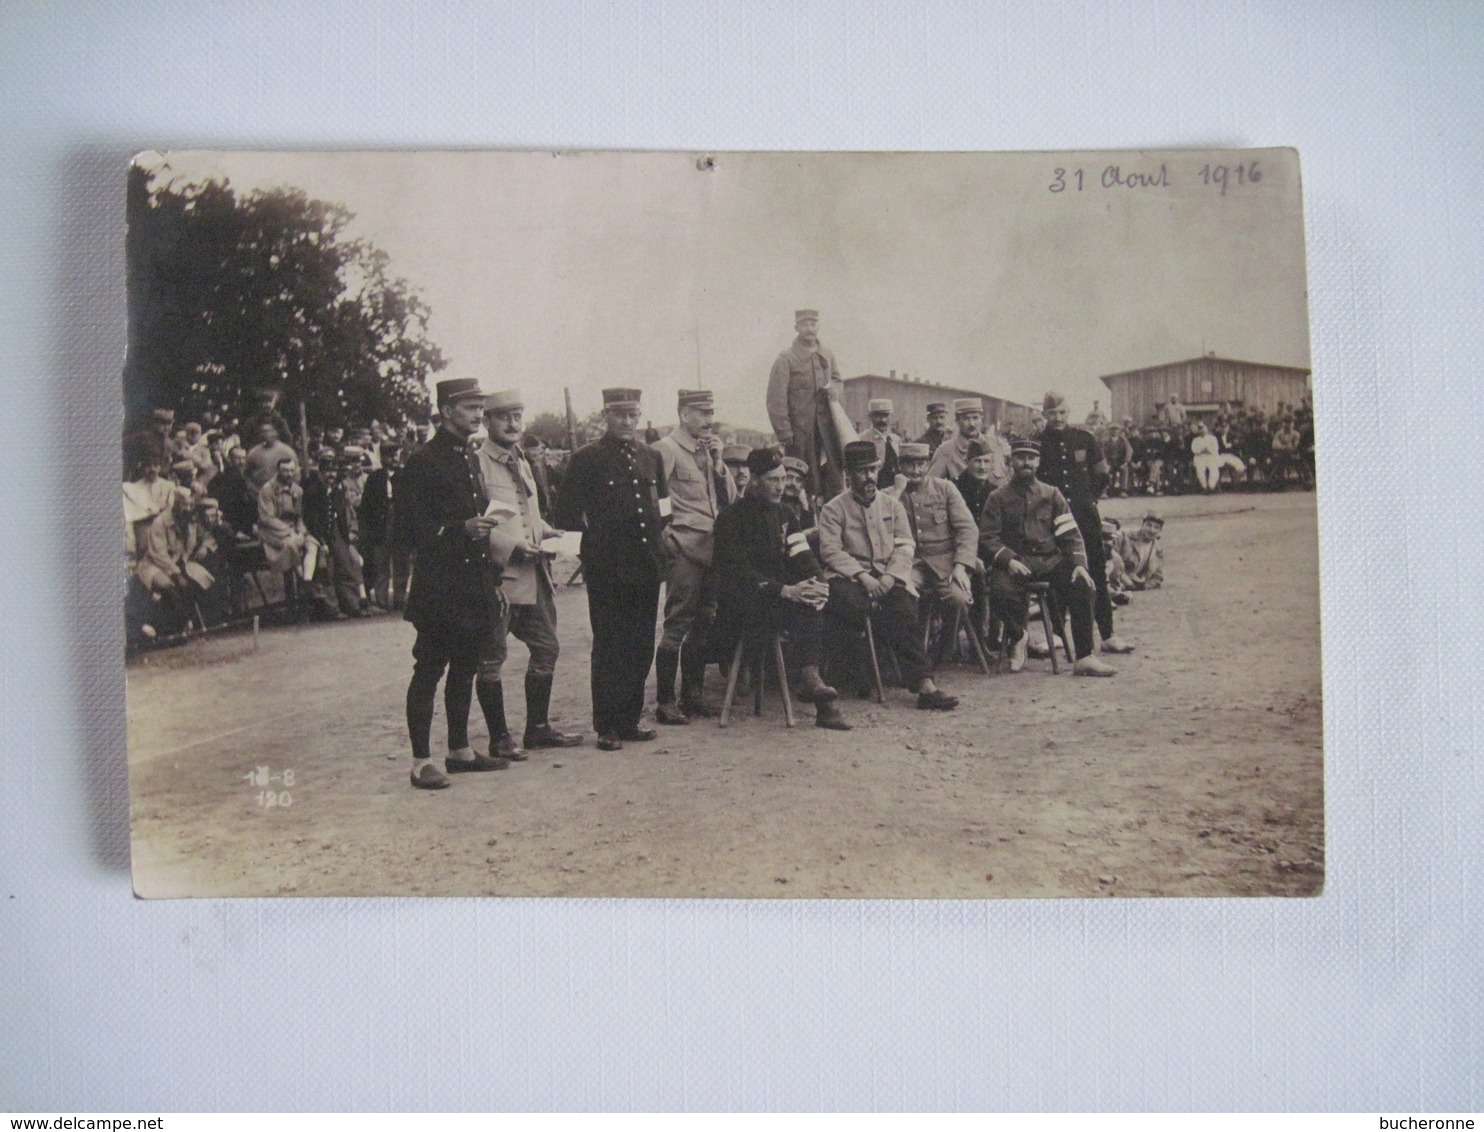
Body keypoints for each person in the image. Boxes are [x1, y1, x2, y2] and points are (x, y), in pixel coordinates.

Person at [394, 378, 513, 789]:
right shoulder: (423, 461)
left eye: (480, 406)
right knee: (428, 669)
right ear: (446, 411)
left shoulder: (469, 458)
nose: (478, 414)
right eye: (469, 407)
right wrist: (460, 529)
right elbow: (408, 530)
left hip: (472, 583)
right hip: (439, 587)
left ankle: (459, 749)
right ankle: (420, 761)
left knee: (464, 667)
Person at [554, 387, 668, 751]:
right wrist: (592, 546)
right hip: (608, 567)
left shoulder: (652, 457)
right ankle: (607, 725)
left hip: (646, 564)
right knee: (609, 645)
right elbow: (566, 514)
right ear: (606, 415)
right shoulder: (586, 459)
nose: (627, 421)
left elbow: (664, 510)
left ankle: (630, 719)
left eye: (633, 414)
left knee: (641, 643)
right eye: (620, 414)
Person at [474, 389, 585, 753]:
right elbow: (477, 524)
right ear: (488, 421)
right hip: (497, 580)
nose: (512, 424)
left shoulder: (522, 462)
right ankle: (499, 737)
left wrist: (544, 532)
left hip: (533, 577)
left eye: (517, 416)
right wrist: (511, 547)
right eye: (503, 417)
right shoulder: (477, 464)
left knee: (547, 647)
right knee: (491, 658)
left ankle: (537, 728)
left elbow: (524, 514)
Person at [712, 448, 849, 730]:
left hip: (779, 598)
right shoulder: (731, 519)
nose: (781, 486)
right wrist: (785, 590)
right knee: (800, 605)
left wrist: (817, 583)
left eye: (784, 479)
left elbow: (802, 555)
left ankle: (813, 683)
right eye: (773, 480)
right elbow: (738, 574)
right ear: (755, 480)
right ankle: (814, 685)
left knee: (816, 601)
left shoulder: (786, 514)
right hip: (743, 606)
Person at [817, 440, 958, 711]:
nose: (869, 476)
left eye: (872, 469)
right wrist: (862, 576)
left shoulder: (892, 506)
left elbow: (906, 545)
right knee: (852, 607)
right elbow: (831, 552)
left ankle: (925, 686)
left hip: (886, 576)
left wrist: (892, 576)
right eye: (861, 471)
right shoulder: (834, 509)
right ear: (848, 474)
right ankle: (859, 675)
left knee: (904, 608)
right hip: (849, 578)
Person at [979, 438, 1116, 676]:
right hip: (1014, 565)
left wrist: (1079, 565)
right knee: (998, 590)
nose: (1026, 463)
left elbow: (1070, 534)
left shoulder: (1052, 495)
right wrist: (1008, 560)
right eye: (1020, 458)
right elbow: (988, 537)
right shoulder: (997, 497)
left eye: (1031, 458)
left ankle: (1084, 657)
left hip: (1049, 562)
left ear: (1038, 462)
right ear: (1011, 462)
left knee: (1082, 583)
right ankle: (1019, 636)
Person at [651, 389, 737, 724]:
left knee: (704, 622)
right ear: (684, 414)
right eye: (702, 412)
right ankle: (665, 702)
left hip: (712, 548)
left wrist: (719, 463)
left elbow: (728, 499)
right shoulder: (666, 449)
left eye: (711, 412)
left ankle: (693, 696)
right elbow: (655, 499)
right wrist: (665, 537)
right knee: (677, 623)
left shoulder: (708, 450)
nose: (709, 419)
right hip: (685, 547)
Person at [1035, 391, 1133, 655]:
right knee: (1056, 574)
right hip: (1052, 520)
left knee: (1096, 572)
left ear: (1069, 412)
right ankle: (1056, 635)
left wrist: (1088, 498)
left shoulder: (1085, 438)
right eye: (1052, 414)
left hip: (1085, 517)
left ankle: (1108, 635)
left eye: (1062, 413)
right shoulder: (1037, 443)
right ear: (1044, 415)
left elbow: (1102, 474)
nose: (1057, 418)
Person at [895, 442, 978, 658]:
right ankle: (911, 655)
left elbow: (967, 529)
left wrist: (961, 566)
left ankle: (945, 645)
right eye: (910, 465)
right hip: (910, 563)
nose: (916, 471)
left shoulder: (945, 488)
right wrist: (896, 492)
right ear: (899, 467)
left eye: (921, 464)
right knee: (902, 598)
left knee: (959, 599)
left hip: (945, 562)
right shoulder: (891, 494)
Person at [766, 308, 847, 500]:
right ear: (796, 327)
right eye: (804, 324)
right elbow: (775, 399)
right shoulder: (786, 359)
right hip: (801, 433)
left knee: (834, 481)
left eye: (813, 324)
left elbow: (838, 380)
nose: (809, 328)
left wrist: (835, 390)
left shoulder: (827, 354)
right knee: (801, 483)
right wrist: (785, 433)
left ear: (818, 325)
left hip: (828, 431)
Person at [926, 398, 997, 483]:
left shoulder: (996, 445)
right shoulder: (945, 451)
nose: (972, 424)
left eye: (975, 418)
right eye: (966, 419)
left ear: (981, 419)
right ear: (957, 421)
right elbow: (932, 486)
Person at [858, 398, 902, 489]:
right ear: (870, 417)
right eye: (878, 416)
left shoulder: (896, 439)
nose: (883, 419)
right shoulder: (862, 440)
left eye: (886, 415)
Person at [244, 421, 297, 490]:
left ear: (275, 433)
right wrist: (252, 489)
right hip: (260, 491)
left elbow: (296, 473)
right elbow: (247, 474)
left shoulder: (287, 451)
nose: (266, 434)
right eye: (263, 432)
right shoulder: (254, 452)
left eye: (268, 431)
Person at [1123, 509, 1166, 589]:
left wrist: (1144, 585)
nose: (1152, 530)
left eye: (1156, 527)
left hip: (1135, 583)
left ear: (1160, 530)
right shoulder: (1127, 538)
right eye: (1149, 525)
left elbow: (1158, 577)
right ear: (1142, 525)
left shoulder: (1158, 551)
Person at [1191, 419, 1222, 491]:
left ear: (1206, 428)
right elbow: (1194, 449)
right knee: (1200, 469)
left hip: (1211, 457)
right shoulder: (1195, 440)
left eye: (1203, 428)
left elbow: (1216, 448)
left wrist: (1209, 450)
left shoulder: (1212, 438)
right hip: (1200, 457)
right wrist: (1201, 451)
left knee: (1213, 468)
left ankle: (1212, 485)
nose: (1201, 430)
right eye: (1199, 429)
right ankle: (1204, 486)